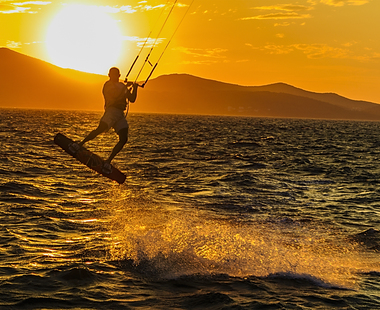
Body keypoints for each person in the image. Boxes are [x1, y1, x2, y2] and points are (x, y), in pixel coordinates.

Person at [70, 67, 139, 174]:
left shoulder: (122, 86)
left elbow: (132, 99)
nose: (113, 76)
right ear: (109, 75)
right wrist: (125, 87)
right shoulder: (107, 85)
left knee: (124, 138)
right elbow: (115, 95)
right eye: (112, 74)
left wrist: (135, 88)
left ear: (119, 75)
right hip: (111, 112)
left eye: (116, 74)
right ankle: (80, 144)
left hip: (120, 114)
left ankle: (108, 161)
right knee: (100, 129)